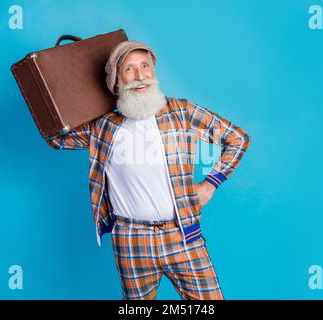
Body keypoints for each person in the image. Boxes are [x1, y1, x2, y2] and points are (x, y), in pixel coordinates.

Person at [45, 40, 251, 300]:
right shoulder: (103, 127)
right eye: (129, 69)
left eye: (145, 66)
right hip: (131, 240)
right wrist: (56, 74)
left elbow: (238, 138)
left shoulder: (182, 113)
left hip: (182, 234)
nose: (140, 75)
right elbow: (55, 138)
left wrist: (211, 183)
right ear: (116, 81)